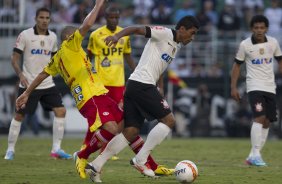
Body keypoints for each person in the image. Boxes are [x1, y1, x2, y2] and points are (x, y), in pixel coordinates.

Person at [15, 1, 171, 182]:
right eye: (76, 36)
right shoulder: (71, 45)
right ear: (69, 37)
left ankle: (152, 165)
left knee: (129, 128)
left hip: (99, 94)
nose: (80, 40)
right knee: (113, 129)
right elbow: (87, 25)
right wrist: (98, 5)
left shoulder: (56, 58)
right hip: (90, 97)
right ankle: (83, 155)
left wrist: (26, 92)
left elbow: (42, 74)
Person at [85, 15, 200, 178]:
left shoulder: (176, 45)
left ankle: (95, 165)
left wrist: (160, 86)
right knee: (169, 121)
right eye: (192, 33)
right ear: (182, 29)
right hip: (142, 84)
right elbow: (136, 28)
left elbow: (160, 67)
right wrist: (118, 36)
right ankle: (141, 159)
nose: (193, 37)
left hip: (136, 86)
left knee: (130, 131)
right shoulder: (164, 33)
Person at [4, 7, 71, 160]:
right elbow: (14, 59)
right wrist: (20, 75)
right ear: (36, 18)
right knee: (19, 116)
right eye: (41, 17)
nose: (44, 20)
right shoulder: (25, 35)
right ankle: (10, 150)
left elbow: (55, 61)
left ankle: (56, 150)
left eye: (47, 18)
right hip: (28, 84)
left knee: (61, 111)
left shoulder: (53, 37)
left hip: (47, 83)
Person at [231, 15, 282, 166]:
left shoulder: (273, 42)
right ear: (251, 29)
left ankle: (253, 155)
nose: (259, 30)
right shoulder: (245, 45)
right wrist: (233, 87)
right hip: (254, 86)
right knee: (259, 117)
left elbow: (280, 60)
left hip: (270, 87)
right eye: (256, 28)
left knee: (267, 121)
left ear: (266, 28)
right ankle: (256, 155)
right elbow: (236, 66)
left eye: (262, 28)